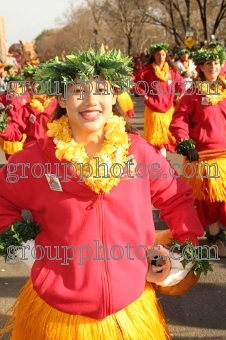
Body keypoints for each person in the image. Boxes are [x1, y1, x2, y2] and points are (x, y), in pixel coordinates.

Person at [0, 45, 205, 340]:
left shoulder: (138, 152)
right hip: (57, 314)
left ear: (113, 96)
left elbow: (175, 197)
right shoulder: (36, 160)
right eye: (78, 91)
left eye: (100, 89)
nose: (91, 100)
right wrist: (26, 248)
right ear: (60, 97)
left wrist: (185, 251)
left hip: (130, 311)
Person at [170, 47, 226, 257]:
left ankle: (220, 232)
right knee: (209, 202)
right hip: (203, 158)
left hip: (225, 156)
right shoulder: (192, 94)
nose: (213, 67)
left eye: (216, 63)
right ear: (201, 68)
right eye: (208, 64)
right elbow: (179, 121)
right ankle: (215, 237)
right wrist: (186, 143)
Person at [133, 43, 184, 157]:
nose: (160, 57)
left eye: (163, 54)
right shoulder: (147, 71)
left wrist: (181, 93)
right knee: (158, 141)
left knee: (167, 138)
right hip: (153, 110)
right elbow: (135, 83)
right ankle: (163, 161)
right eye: (157, 55)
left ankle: (161, 161)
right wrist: (145, 95)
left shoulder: (172, 72)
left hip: (168, 111)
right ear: (153, 56)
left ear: (166, 56)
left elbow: (181, 84)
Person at [0, 64, 57, 147]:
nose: (29, 87)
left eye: (33, 83)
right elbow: (15, 131)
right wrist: (1, 123)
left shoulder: (59, 106)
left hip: (55, 155)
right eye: (27, 83)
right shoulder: (26, 109)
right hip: (33, 155)